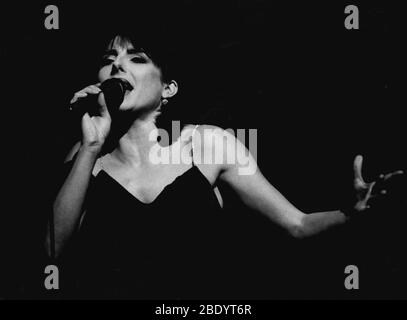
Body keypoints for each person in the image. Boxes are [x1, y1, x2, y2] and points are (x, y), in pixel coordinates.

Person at [46, 33, 403, 299]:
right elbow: (52, 253)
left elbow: (297, 224)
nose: (117, 64)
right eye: (110, 58)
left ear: (168, 89)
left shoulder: (208, 143)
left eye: (136, 58)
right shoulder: (85, 154)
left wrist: (352, 212)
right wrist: (91, 145)